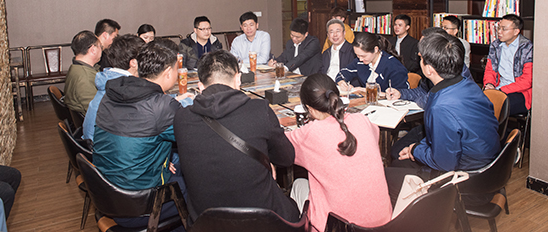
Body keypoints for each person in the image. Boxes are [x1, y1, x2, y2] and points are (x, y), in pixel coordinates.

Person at [174, 50, 299, 222]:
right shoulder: (259, 110)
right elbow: (286, 158)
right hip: (261, 221)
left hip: (205, 223)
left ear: (200, 87)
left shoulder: (182, 118)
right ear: (238, 79)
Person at [385, 33, 500, 205]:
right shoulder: (468, 84)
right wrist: (416, 149)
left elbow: (444, 163)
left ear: (429, 69)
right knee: (399, 161)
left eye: (421, 59)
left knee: (384, 177)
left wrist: (415, 150)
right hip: (488, 170)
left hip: (467, 180)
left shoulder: (441, 106)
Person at [93, 39, 192, 229]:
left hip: (107, 194)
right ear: (169, 72)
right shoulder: (162, 106)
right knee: (203, 184)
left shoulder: (112, 94)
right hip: (141, 204)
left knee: (178, 165)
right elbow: (195, 138)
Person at [286, 74, 392, 232]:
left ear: (309, 109)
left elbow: (279, 147)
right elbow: (374, 137)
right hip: (384, 223)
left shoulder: (310, 133)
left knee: (298, 185)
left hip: (338, 227)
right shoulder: (362, 120)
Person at [82, 34, 145, 141]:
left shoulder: (108, 79)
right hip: (104, 147)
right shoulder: (124, 90)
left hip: (93, 143)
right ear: (134, 63)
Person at [483, 14, 533, 116]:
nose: (499, 32)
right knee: (474, 104)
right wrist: (489, 84)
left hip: (520, 92)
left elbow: (527, 81)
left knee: (494, 107)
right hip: (498, 87)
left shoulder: (527, 48)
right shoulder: (495, 45)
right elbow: (490, 70)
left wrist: (501, 90)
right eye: (498, 28)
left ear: (516, 31)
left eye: (504, 29)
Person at [336, 32, 408, 91]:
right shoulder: (360, 62)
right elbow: (342, 73)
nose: (360, 59)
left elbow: (401, 94)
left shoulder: (393, 66)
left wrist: (367, 91)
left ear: (375, 49)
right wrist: (341, 82)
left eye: (363, 56)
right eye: (357, 55)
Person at [63, 31, 102, 114]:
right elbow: (98, 111)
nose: (101, 50)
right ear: (93, 50)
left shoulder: (75, 68)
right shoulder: (85, 77)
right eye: (100, 47)